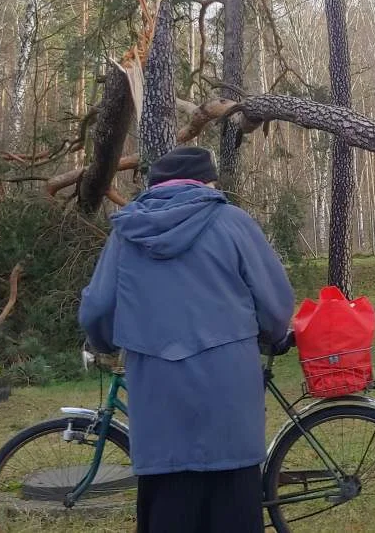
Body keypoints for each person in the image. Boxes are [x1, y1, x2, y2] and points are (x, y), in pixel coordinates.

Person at [78, 146, 295, 533]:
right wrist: (271, 336)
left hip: (159, 398)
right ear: (208, 182)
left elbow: (97, 308)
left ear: (154, 185)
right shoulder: (233, 223)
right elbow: (275, 303)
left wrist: (106, 344)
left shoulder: (127, 234)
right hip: (230, 399)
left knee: (167, 507)